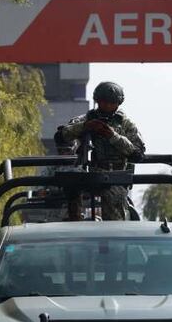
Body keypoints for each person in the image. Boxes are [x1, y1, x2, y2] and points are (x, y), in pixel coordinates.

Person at [55, 81, 145, 220]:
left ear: (118, 103)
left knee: (114, 210)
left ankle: (112, 237)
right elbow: (61, 137)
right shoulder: (86, 119)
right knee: (71, 186)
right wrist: (85, 127)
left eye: (112, 103)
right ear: (97, 101)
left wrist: (112, 136)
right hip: (88, 172)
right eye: (104, 102)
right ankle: (75, 225)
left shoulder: (125, 124)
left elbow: (137, 154)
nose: (108, 106)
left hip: (115, 174)